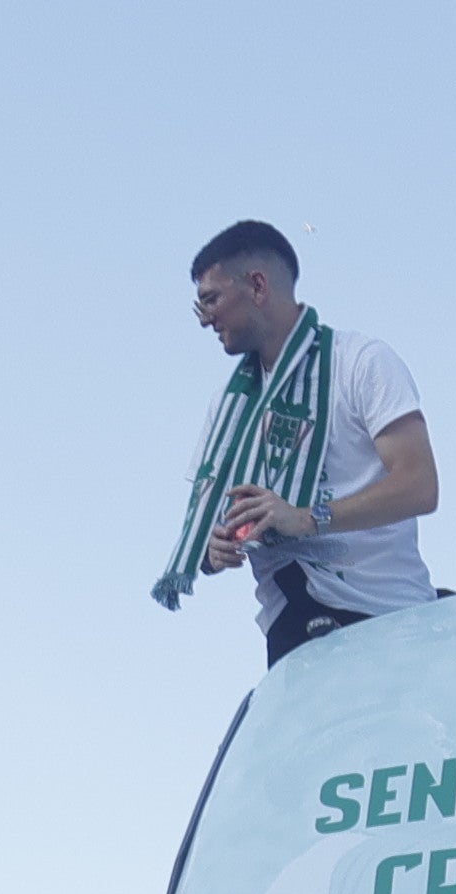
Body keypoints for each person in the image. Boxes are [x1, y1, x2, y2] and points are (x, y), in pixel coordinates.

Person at [156, 220, 438, 662]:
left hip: (387, 621)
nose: (206, 319)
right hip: (294, 637)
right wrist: (214, 548)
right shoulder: (230, 408)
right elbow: (212, 536)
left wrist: (307, 517)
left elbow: (420, 485)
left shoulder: (361, 362)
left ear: (258, 285)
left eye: (211, 300)